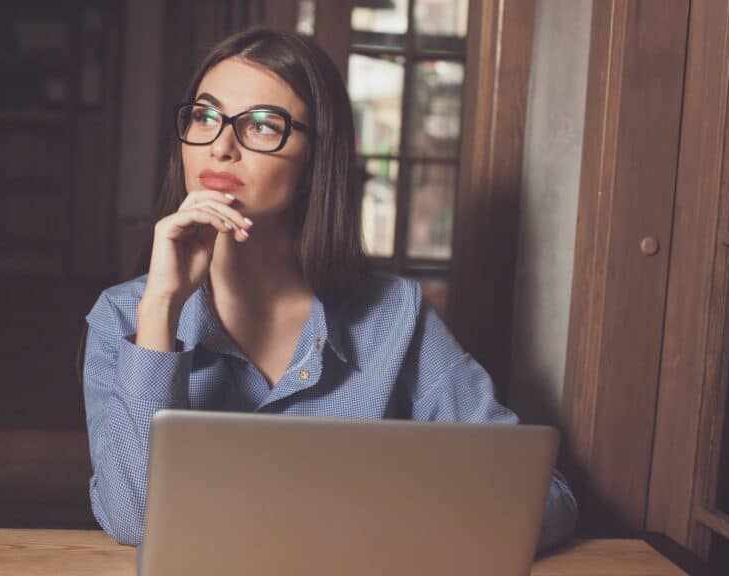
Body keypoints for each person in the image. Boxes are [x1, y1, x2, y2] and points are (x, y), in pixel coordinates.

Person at [82, 27, 577, 550]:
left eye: (263, 126)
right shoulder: (122, 318)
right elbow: (133, 519)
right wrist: (162, 304)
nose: (221, 147)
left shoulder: (395, 316)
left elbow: (547, 499)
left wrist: (369, 513)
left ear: (318, 159)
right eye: (205, 116)